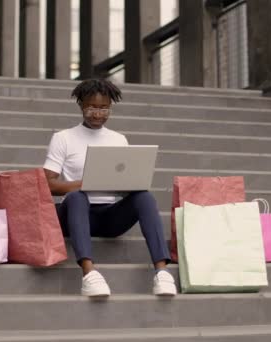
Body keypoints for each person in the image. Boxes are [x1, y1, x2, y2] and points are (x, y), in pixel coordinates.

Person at [43, 78, 176, 297]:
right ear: (81, 105)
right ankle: (89, 273)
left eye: (104, 108)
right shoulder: (63, 138)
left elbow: (126, 181)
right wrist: (86, 184)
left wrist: (131, 184)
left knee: (144, 197)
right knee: (77, 197)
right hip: (75, 214)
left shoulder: (119, 139)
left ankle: (162, 273)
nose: (98, 113)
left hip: (109, 217)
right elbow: (47, 184)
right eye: (92, 107)